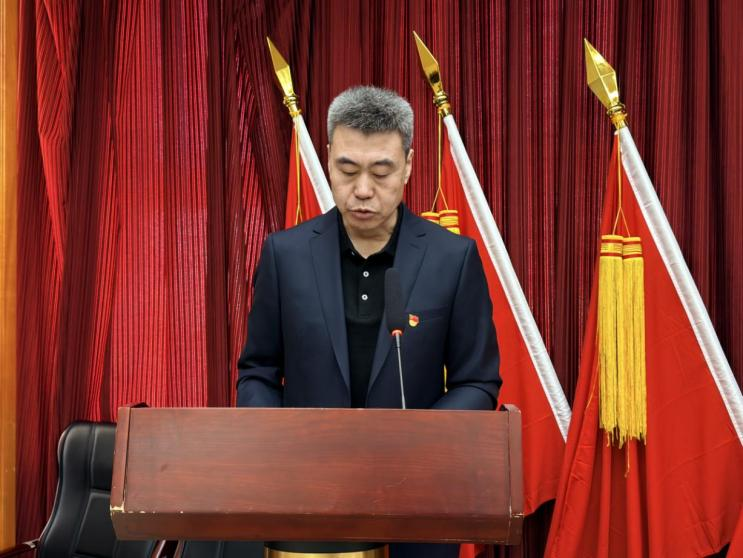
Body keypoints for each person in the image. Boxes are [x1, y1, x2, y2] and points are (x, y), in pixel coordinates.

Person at [237, 85, 501, 558]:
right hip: (308, 501)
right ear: (328, 158)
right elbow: (257, 371)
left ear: (408, 165)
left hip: (416, 501)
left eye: (381, 172)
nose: (362, 190)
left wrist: (414, 443)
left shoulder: (452, 258)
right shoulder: (285, 255)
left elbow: (478, 382)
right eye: (347, 170)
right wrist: (281, 445)